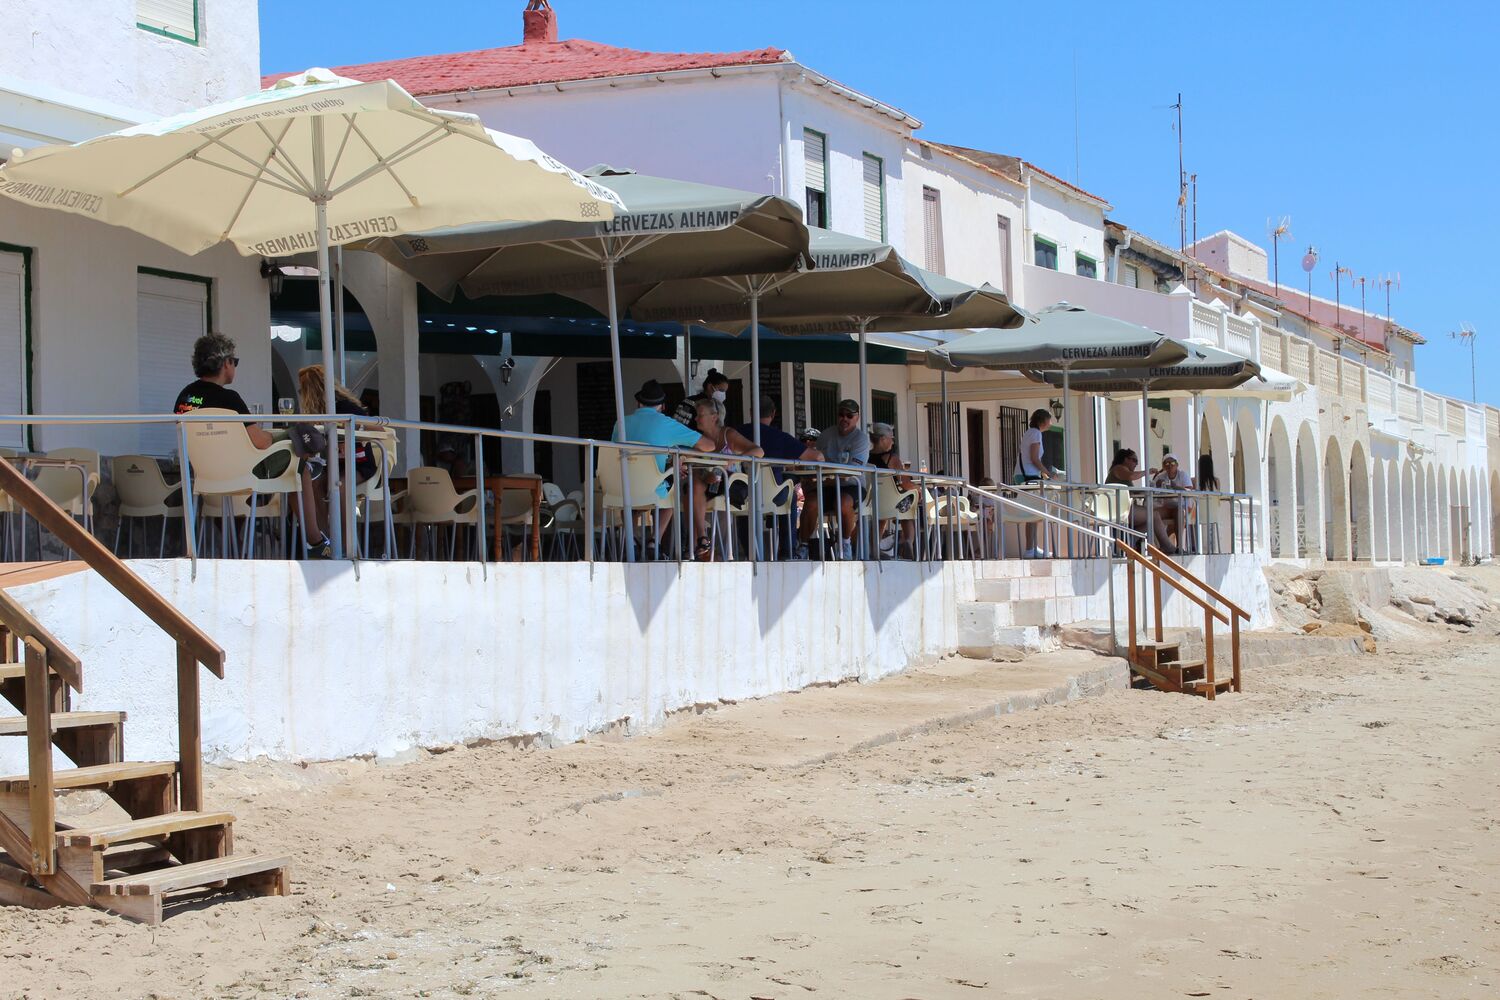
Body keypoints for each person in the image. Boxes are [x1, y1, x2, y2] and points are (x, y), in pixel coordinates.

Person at [613, 379, 715, 553]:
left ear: (638, 402)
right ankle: (655, 540)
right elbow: (708, 446)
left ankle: (632, 538)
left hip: (620, 488)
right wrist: (680, 453)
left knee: (631, 494)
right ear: (662, 406)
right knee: (672, 490)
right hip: (652, 487)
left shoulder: (620, 423)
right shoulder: (667, 424)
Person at [296, 365, 378, 558]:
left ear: (312, 390)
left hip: (358, 464)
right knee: (313, 483)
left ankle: (346, 547)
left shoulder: (345, 407)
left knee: (339, 486)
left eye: (302, 390)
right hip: (332, 465)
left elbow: (377, 432)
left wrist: (350, 438)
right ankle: (325, 544)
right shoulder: (316, 413)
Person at [691, 396, 764, 560]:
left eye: (700, 415)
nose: (696, 418)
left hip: (732, 484)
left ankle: (709, 547)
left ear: (714, 417)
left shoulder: (728, 434)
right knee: (691, 486)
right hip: (711, 485)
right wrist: (707, 475)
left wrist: (732, 460)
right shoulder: (700, 440)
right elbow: (699, 468)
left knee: (694, 490)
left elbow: (758, 451)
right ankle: (701, 542)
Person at [799, 399, 871, 559]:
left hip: (852, 484)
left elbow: (851, 472)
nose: (844, 418)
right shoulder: (825, 435)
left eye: (849, 415)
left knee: (843, 502)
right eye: (841, 414)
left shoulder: (861, 439)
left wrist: (821, 479)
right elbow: (815, 462)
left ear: (857, 417)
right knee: (811, 502)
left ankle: (845, 544)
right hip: (827, 485)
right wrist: (811, 480)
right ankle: (803, 546)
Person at [1105, 448, 1176, 552]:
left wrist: (1147, 490)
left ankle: (1130, 541)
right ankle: (1167, 546)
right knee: (1154, 515)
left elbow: (1131, 492)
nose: (1136, 464)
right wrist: (1147, 472)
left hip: (1122, 508)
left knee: (1151, 519)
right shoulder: (1119, 468)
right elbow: (1132, 476)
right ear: (1125, 459)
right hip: (1119, 509)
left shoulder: (1123, 474)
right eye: (1134, 460)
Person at [869, 422, 916, 556]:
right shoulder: (892, 458)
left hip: (871, 502)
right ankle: (908, 541)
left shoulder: (866, 457)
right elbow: (906, 483)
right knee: (908, 505)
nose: (893, 441)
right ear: (883, 439)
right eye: (891, 438)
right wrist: (917, 489)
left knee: (881, 515)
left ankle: (874, 547)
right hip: (892, 503)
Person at [1016, 408, 1055, 558]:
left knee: (1033, 513)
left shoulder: (1030, 432)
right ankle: (1029, 549)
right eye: (1049, 419)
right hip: (1028, 476)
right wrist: (1048, 473)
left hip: (1025, 475)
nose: (1051, 422)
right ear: (1043, 420)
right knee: (1033, 513)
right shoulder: (1035, 433)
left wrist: (1043, 473)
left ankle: (1031, 548)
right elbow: (1034, 458)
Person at [1152, 453, 1194, 542]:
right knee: (1151, 514)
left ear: (1177, 464)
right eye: (1167, 463)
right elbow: (1152, 492)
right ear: (1163, 466)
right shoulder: (1160, 477)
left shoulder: (1183, 475)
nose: (1170, 466)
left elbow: (1189, 491)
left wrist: (1175, 487)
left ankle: (1179, 544)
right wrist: (1156, 486)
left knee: (1179, 512)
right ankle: (1158, 543)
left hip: (1183, 506)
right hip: (1166, 507)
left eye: (1172, 463)